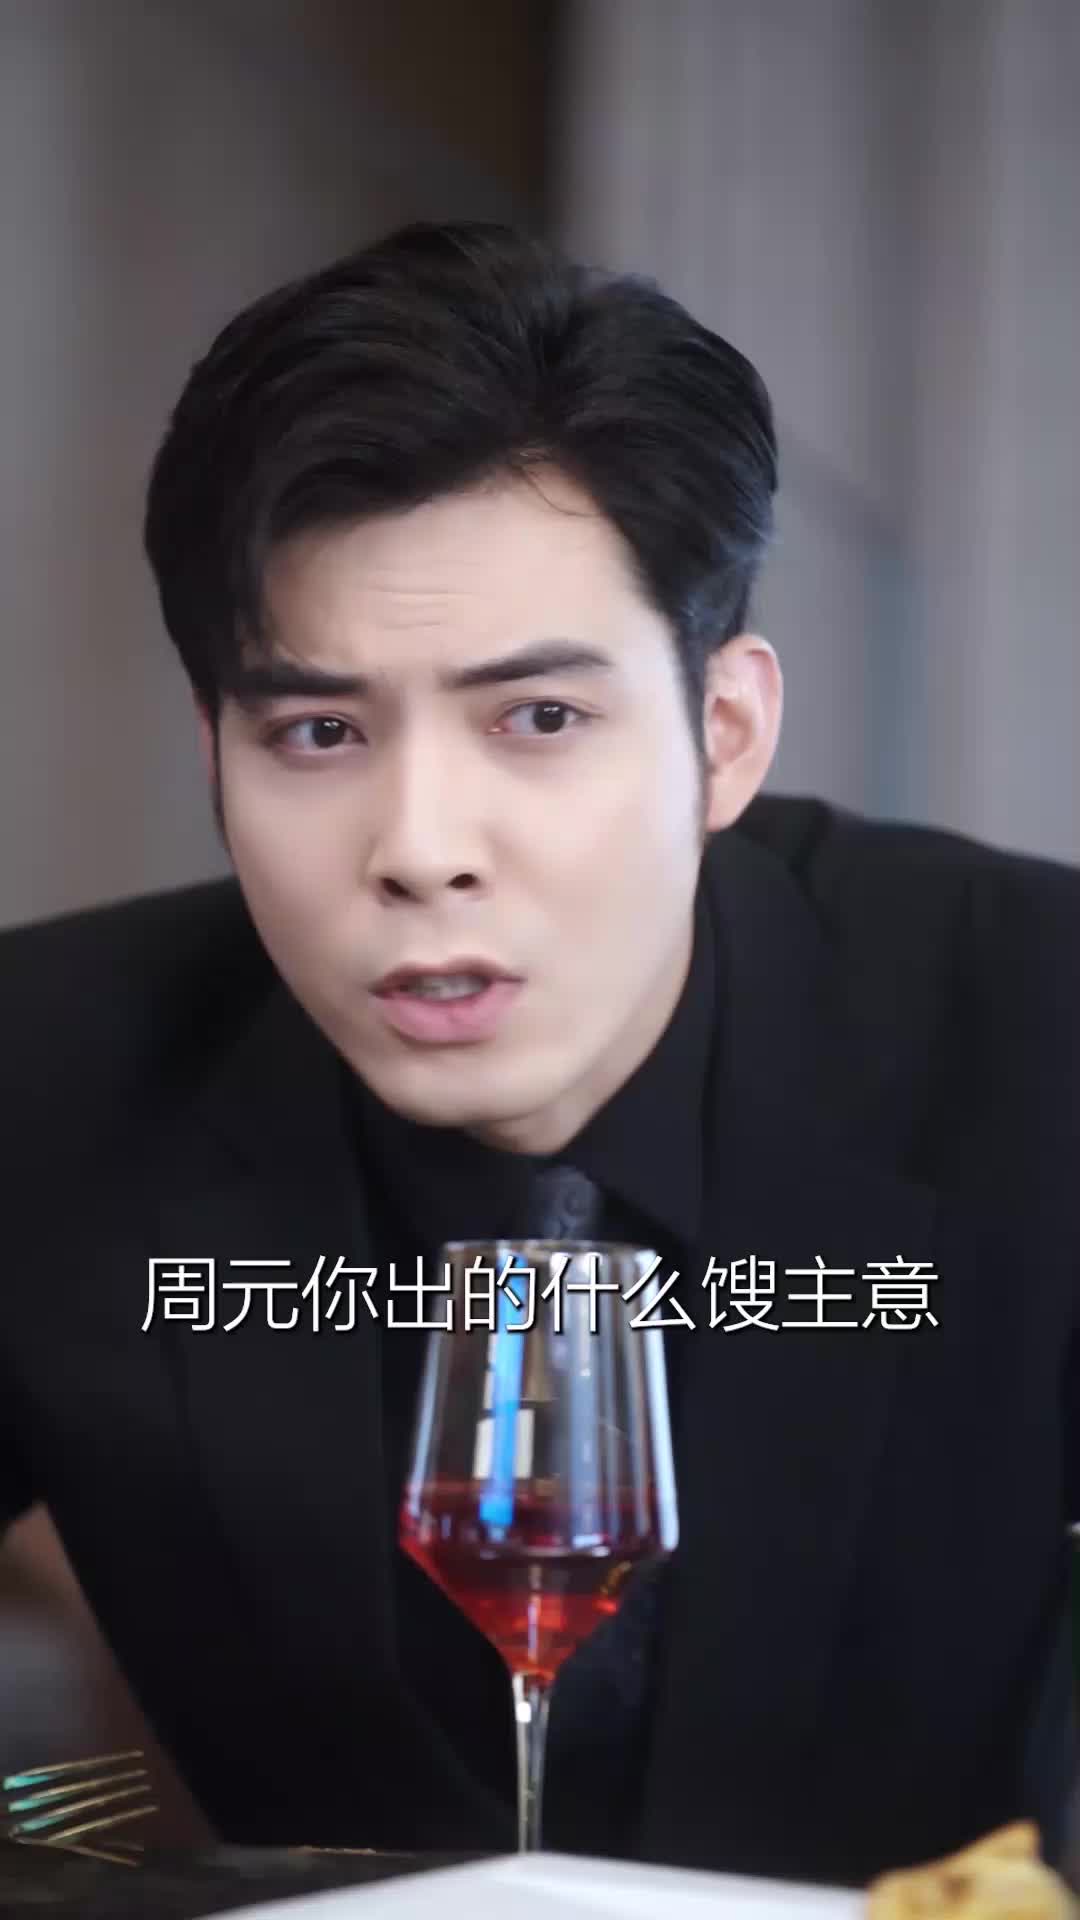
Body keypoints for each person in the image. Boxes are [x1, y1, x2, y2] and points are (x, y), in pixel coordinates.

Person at [1, 219, 1078, 1886]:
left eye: (541, 719)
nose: (422, 847)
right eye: (318, 732)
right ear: (215, 754)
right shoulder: (45, 1079)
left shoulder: (1039, 1031)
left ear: (724, 731)